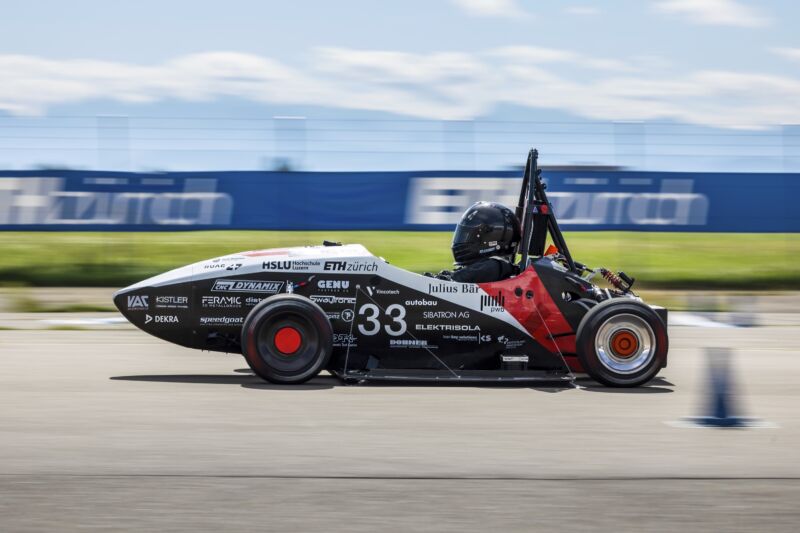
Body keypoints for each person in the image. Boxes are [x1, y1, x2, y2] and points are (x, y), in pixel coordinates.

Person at [429, 201, 521, 283]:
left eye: (469, 235)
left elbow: (457, 279)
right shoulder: (489, 268)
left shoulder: (494, 267)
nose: (463, 239)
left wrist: (449, 277)